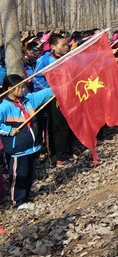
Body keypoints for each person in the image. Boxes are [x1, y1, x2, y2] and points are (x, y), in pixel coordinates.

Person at [0, 74, 53, 209]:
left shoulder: (29, 100)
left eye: (24, 86)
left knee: (30, 174)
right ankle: (18, 201)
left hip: (32, 147)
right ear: (10, 89)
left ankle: (26, 197)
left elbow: (45, 94)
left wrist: (57, 87)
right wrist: (9, 130)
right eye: (20, 87)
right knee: (19, 175)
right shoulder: (4, 107)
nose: (24, 90)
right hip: (17, 149)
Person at [33, 33, 78, 167]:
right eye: (63, 45)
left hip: (69, 97)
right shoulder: (45, 60)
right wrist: (51, 91)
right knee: (58, 127)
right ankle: (60, 157)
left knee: (69, 125)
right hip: (53, 99)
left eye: (67, 45)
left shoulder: (67, 58)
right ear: (53, 46)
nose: (66, 48)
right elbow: (36, 78)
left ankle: (68, 152)